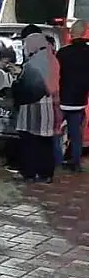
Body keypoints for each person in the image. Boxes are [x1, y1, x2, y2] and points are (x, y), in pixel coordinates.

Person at [13, 32, 61, 183]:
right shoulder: (51, 58)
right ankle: (46, 174)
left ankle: (30, 173)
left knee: (30, 141)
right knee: (45, 142)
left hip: (35, 107)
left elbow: (30, 85)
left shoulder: (34, 61)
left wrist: (18, 76)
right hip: (51, 105)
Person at [57, 20, 89, 171]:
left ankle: (56, 160)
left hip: (62, 98)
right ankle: (75, 162)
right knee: (76, 134)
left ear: (72, 33)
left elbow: (55, 74)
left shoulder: (63, 53)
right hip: (79, 100)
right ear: (84, 33)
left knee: (55, 131)